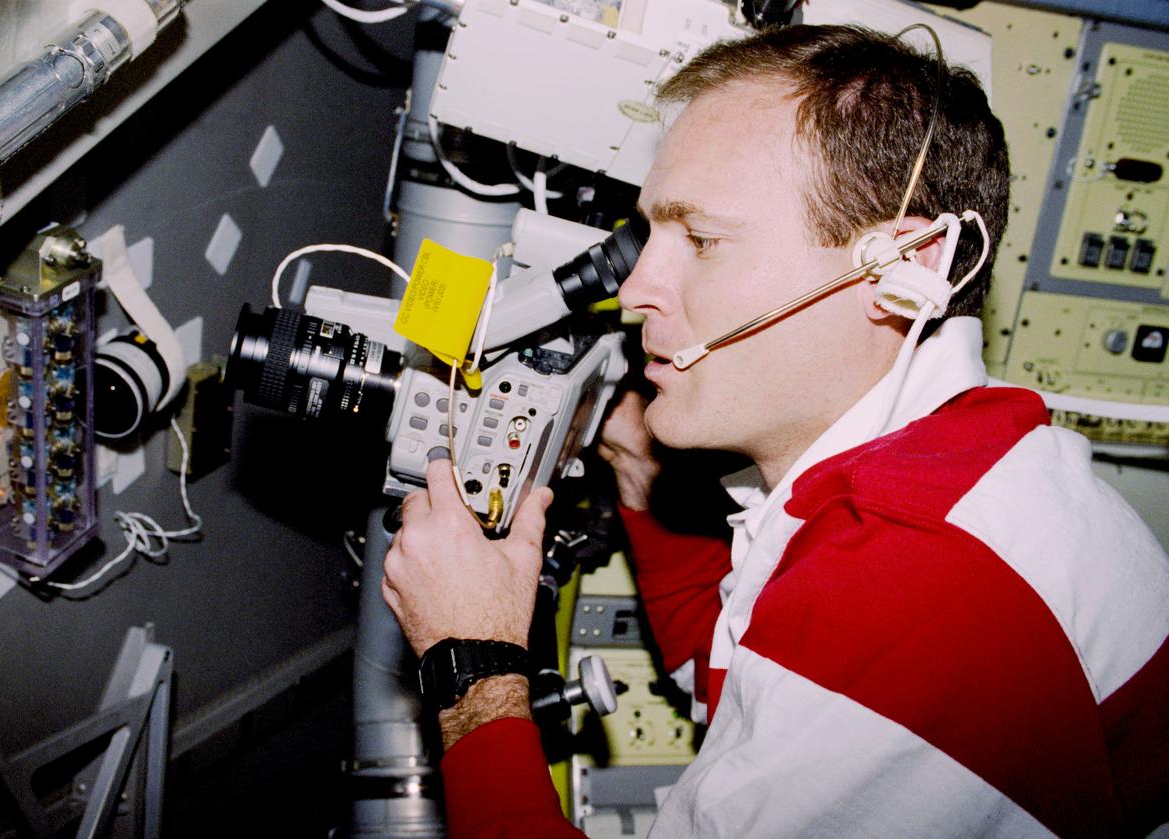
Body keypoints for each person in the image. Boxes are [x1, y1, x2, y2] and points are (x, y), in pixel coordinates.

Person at [381, 24, 1169, 838]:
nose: (640, 288)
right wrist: (638, 467)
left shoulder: (916, 586)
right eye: (649, 235)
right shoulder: (949, 467)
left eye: (703, 240)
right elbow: (734, 686)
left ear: (903, 271)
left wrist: (472, 662)